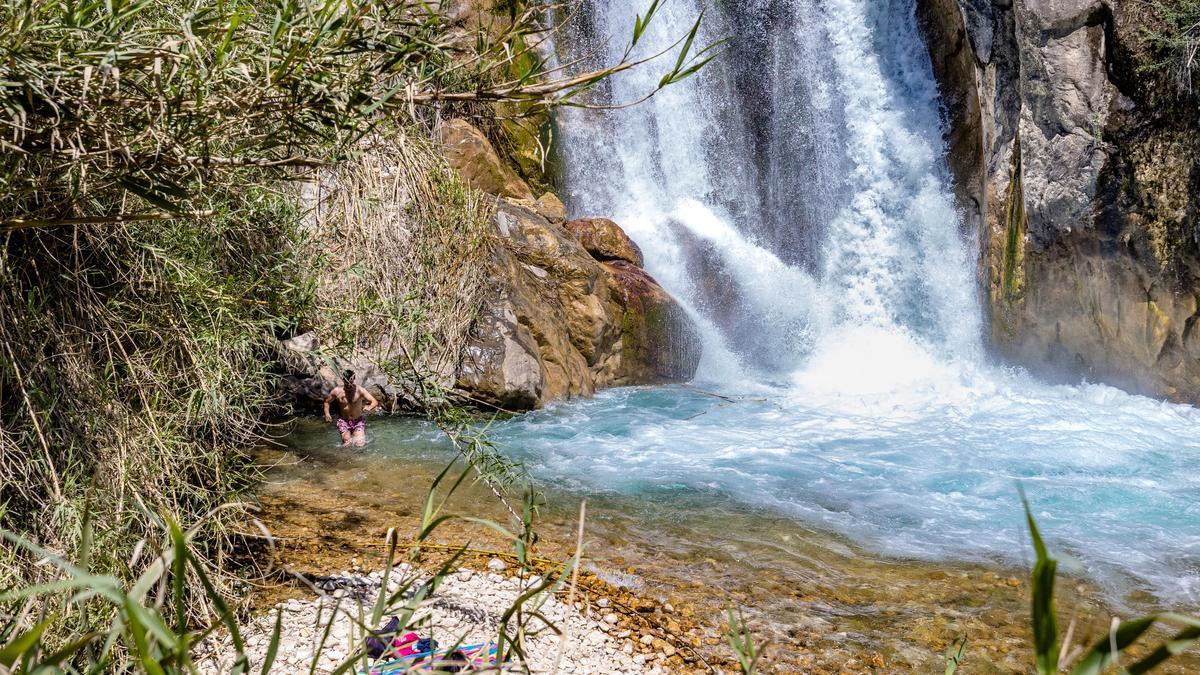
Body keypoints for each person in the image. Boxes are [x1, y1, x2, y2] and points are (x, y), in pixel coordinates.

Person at [323, 370, 379, 446]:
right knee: (347, 443)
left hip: (358, 421)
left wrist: (370, 407)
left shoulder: (360, 390)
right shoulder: (337, 391)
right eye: (346, 382)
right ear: (343, 379)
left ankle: (360, 458)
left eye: (351, 381)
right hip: (343, 421)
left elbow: (374, 401)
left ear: (354, 378)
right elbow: (327, 402)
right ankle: (347, 457)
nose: (349, 384)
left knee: (360, 443)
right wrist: (327, 414)